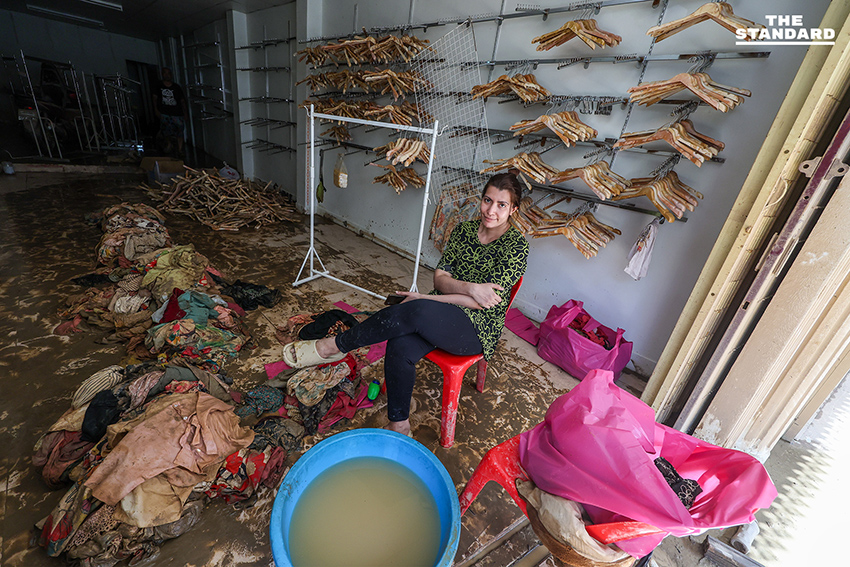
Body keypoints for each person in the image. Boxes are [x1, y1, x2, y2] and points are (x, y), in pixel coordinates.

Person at [283, 171, 529, 436]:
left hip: (475, 328)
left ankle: (334, 345)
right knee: (399, 341)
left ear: (513, 209)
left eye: (501, 205)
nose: (491, 210)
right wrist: (470, 288)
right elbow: (441, 278)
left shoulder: (516, 247)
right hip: (440, 311)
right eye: (487, 200)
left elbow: (482, 304)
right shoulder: (464, 231)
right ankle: (399, 424)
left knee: (415, 308)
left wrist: (427, 297)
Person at [152, 67, 188, 157]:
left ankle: (179, 150)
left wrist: (185, 113)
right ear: (162, 74)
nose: (167, 75)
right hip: (165, 112)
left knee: (179, 131)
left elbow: (182, 101)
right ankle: (169, 144)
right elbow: (154, 98)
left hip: (177, 113)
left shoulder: (176, 87)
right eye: (165, 73)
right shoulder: (159, 86)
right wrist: (156, 110)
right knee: (166, 131)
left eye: (169, 73)